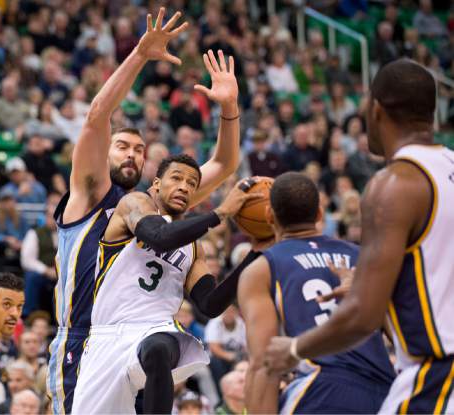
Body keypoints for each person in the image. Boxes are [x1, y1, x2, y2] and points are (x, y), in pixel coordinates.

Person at [48, 7, 242, 414]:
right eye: (122, 146)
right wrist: (139, 55)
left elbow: (223, 166)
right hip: (84, 339)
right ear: (105, 154)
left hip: (139, 338)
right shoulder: (90, 192)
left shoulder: (156, 202)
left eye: (139, 149)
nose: (132, 153)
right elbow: (98, 115)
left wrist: (228, 109)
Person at [263, 61, 454, 413]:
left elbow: (363, 317)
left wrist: (293, 350)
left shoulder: (394, 184)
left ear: (375, 109)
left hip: (436, 377)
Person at [72, 155, 261, 414]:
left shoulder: (195, 248)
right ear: (157, 184)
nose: (184, 186)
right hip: (107, 337)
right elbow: (159, 237)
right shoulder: (133, 204)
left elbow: (210, 304)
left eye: (192, 183)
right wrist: (220, 213)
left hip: (156, 329)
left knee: (158, 348)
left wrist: (256, 253)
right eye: (177, 178)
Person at [239, 172, 396, 413]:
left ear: (270, 215)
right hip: (384, 393)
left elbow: (264, 363)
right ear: (320, 214)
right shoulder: (363, 257)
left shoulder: (263, 268)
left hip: (320, 388)